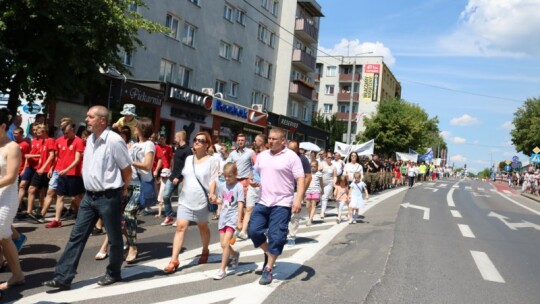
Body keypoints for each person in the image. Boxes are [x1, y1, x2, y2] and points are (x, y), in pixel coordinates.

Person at [42, 105, 132, 290]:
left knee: (114, 237)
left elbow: (127, 170)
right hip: (89, 198)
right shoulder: (90, 139)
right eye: (87, 117)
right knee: (76, 236)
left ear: (102, 120)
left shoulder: (114, 141)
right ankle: (63, 277)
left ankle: (114, 272)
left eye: (90, 117)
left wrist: (123, 189)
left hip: (109, 196)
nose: (87, 119)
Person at [247, 128, 305, 285]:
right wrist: (254, 181)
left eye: (274, 139)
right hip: (263, 201)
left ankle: (268, 269)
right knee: (253, 231)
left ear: (283, 141)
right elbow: (256, 174)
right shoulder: (262, 156)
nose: (270, 141)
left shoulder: (292, 157)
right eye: (269, 139)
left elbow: (300, 179)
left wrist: (298, 199)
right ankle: (269, 252)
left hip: (282, 203)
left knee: (277, 237)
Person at [163, 132, 218, 274]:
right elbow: (186, 176)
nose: (197, 142)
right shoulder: (188, 159)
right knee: (180, 227)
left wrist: (212, 193)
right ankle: (174, 259)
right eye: (195, 139)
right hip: (186, 199)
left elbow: (213, 179)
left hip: (201, 199)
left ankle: (205, 250)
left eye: (201, 140)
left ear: (207, 145)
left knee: (202, 227)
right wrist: (182, 191)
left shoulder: (212, 160)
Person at [0, 108, 25, 297]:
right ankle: (17, 275)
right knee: (5, 238)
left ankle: (17, 275)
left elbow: (10, 177)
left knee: (2, 236)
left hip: (6, 198)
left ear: (2, 127)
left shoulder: (13, 147)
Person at [124, 117, 155, 264]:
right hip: (129, 183)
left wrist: (128, 159)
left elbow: (147, 166)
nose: (134, 129)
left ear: (142, 129)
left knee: (129, 213)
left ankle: (132, 247)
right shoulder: (134, 145)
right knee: (119, 216)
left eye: (136, 126)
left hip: (141, 184)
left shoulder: (149, 145)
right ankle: (128, 240)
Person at [44, 118, 85, 228]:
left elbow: (77, 160)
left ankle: (88, 216)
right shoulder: (60, 140)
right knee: (59, 196)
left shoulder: (78, 141)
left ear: (72, 129)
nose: (65, 135)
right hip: (61, 172)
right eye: (64, 133)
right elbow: (57, 157)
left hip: (73, 174)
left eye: (67, 133)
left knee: (75, 198)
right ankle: (57, 220)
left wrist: (66, 170)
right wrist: (52, 168)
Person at [213, 163, 243, 280]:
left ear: (236, 174)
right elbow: (222, 200)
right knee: (223, 244)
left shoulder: (238, 186)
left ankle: (222, 270)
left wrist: (239, 220)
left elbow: (240, 204)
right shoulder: (222, 186)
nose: (227, 179)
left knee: (225, 243)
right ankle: (235, 255)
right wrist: (215, 201)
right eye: (225, 176)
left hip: (232, 217)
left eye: (229, 176)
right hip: (223, 217)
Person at [26, 123, 56, 223]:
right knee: (31, 189)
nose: (37, 134)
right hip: (39, 169)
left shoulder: (50, 140)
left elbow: (52, 156)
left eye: (39, 132)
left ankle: (45, 212)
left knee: (50, 192)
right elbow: (41, 155)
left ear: (44, 132)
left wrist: (46, 167)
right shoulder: (42, 141)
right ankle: (29, 212)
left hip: (46, 171)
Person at [238, 134, 266, 240]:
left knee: (262, 209)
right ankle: (243, 231)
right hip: (253, 184)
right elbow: (253, 169)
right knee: (249, 208)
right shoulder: (255, 154)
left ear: (262, 142)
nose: (254, 142)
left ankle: (262, 228)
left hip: (263, 187)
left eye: (256, 141)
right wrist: (250, 178)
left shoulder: (268, 154)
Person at [228, 134, 254, 240]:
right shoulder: (233, 153)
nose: (240, 142)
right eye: (238, 140)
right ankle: (241, 225)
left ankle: (243, 228)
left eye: (242, 140)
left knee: (243, 205)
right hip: (235, 182)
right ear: (236, 141)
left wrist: (251, 178)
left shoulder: (250, 152)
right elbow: (228, 165)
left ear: (245, 141)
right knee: (236, 205)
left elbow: (255, 165)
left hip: (245, 181)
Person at [286, 140, 311, 246]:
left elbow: (308, 177)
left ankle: (291, 236)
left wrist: (301, 193)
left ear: (297, 149)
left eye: (293, 149)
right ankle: (283, 233)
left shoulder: (303, 159)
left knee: (294, 215)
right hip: (284, 190)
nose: (291, 151)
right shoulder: (284, 156)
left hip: (296, 191)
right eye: (289, 149)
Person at [305, 160, 323, 226]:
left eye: (314, 166)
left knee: (313, 205)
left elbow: (321, 183)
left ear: (317, 167)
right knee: (307, 206)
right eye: (311, 166)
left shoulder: (319, 174)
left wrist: (322, 190)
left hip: (316, 190)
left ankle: (310, 219)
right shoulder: (308, 173)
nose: (312, 168)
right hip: (308, 190)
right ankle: (310, 216)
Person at [320, 151, 337, 219]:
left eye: (331, 157)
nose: (330, 159)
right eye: (328, 157)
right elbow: (318, 172)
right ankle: (322, 209)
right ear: (325, 158)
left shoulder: (333, 166)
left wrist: (334, 182)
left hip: (329, 184)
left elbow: (335, 176)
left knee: (325, 197)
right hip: (321, 183)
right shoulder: (321, 164)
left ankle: (322, 212)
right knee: (321, 198)